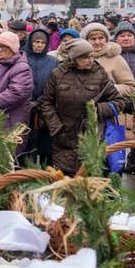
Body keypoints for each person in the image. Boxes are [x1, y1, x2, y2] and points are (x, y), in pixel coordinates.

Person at [41, 39, 125, 176]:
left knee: (91, 183)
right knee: (65, 182)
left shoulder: (99, 73)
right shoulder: (58, 74)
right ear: (74, 58)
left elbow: (118, 101)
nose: (90, 60)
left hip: (92, 137)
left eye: (92, 56)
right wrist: (56, 126)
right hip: (64, 137)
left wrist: (96, 111)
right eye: (85, 57)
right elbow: (46, 102)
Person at [24, 27, 59, 166]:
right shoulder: (23, 58)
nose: (39, 45)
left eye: (43, 43)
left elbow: (53, 85)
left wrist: (39, 102)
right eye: (36, 42)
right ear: (30, 42)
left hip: (46, 109)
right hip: (25, 109)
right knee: (27, 147)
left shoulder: (53, 61)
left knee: (46, 148)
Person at [81, 23, 135, 97]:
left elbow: (131, 88)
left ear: (106, 40)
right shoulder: (79, 58)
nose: (97, 42)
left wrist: (109, 89)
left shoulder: (116, 59)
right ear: (86, 41)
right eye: (93, 39)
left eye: (101, 38)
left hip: (108, 105)